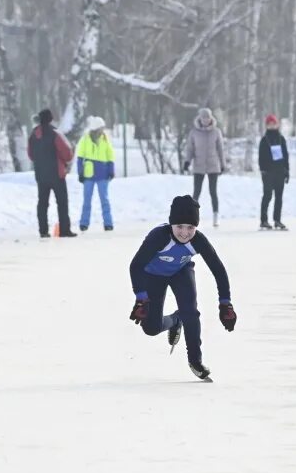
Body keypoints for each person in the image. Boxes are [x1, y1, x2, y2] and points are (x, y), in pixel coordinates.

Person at [128, 195, 237, 380]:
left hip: (181, 273)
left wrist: (225, 303)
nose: (185, 233)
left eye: (191, 227)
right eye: (179, 226)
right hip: (153, 276)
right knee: (151, 329)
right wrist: (141, 297)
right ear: (171, 224)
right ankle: (175, 320)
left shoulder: (199, 241)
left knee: (191, 313)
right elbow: (136, 266)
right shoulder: (159, 237)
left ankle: (195, 360)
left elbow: (218, 270)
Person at [27, 108, 77, 238]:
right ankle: (65, 230)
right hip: (56, 174)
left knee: (42, 203)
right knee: (62, 203)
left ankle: (43, 231)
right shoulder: (55, 134)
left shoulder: (33, 135)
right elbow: (67, 153)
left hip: (41, 175)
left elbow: (30, 155)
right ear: (50, 119)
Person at [183, 107, 226, 227]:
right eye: (203, 117)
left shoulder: (216, 132)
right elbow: (190, 149)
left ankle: (215, 216)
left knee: (213, 191)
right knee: (196, 192)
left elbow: (220, 149)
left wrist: (222, 164)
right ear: (200, 118)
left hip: (213, 165)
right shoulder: (194, 132)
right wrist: (187, 162)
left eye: (207, 117)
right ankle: (192, 216)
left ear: (211, 118)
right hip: (199, 166)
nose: (206, 120)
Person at [76, 116, 116, 231]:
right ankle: (84, 223)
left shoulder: (105, 139)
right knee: (87, 200)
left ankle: (108, 223)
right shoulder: (85, 139)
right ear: (96, 128)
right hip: (89, 174)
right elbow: (80, 157)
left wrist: (111, 170)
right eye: (101, 128)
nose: (103, 130)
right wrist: (80, 172)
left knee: (104, 199)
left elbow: (110, 156)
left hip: (103, 174)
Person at [257, 114, 290, 230]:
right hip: (268, 172)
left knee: (279, 197)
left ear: (277, 125)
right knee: (267, 195)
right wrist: (263, 170)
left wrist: (287, 171)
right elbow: (260, 157)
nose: (272, 126)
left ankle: (277, 220)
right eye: (269, 124)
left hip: (280, 171)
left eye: (274, 124)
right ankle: (264, 220)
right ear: (266, 126)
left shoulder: (281, 139)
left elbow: (285, 156)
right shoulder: (264, 140)